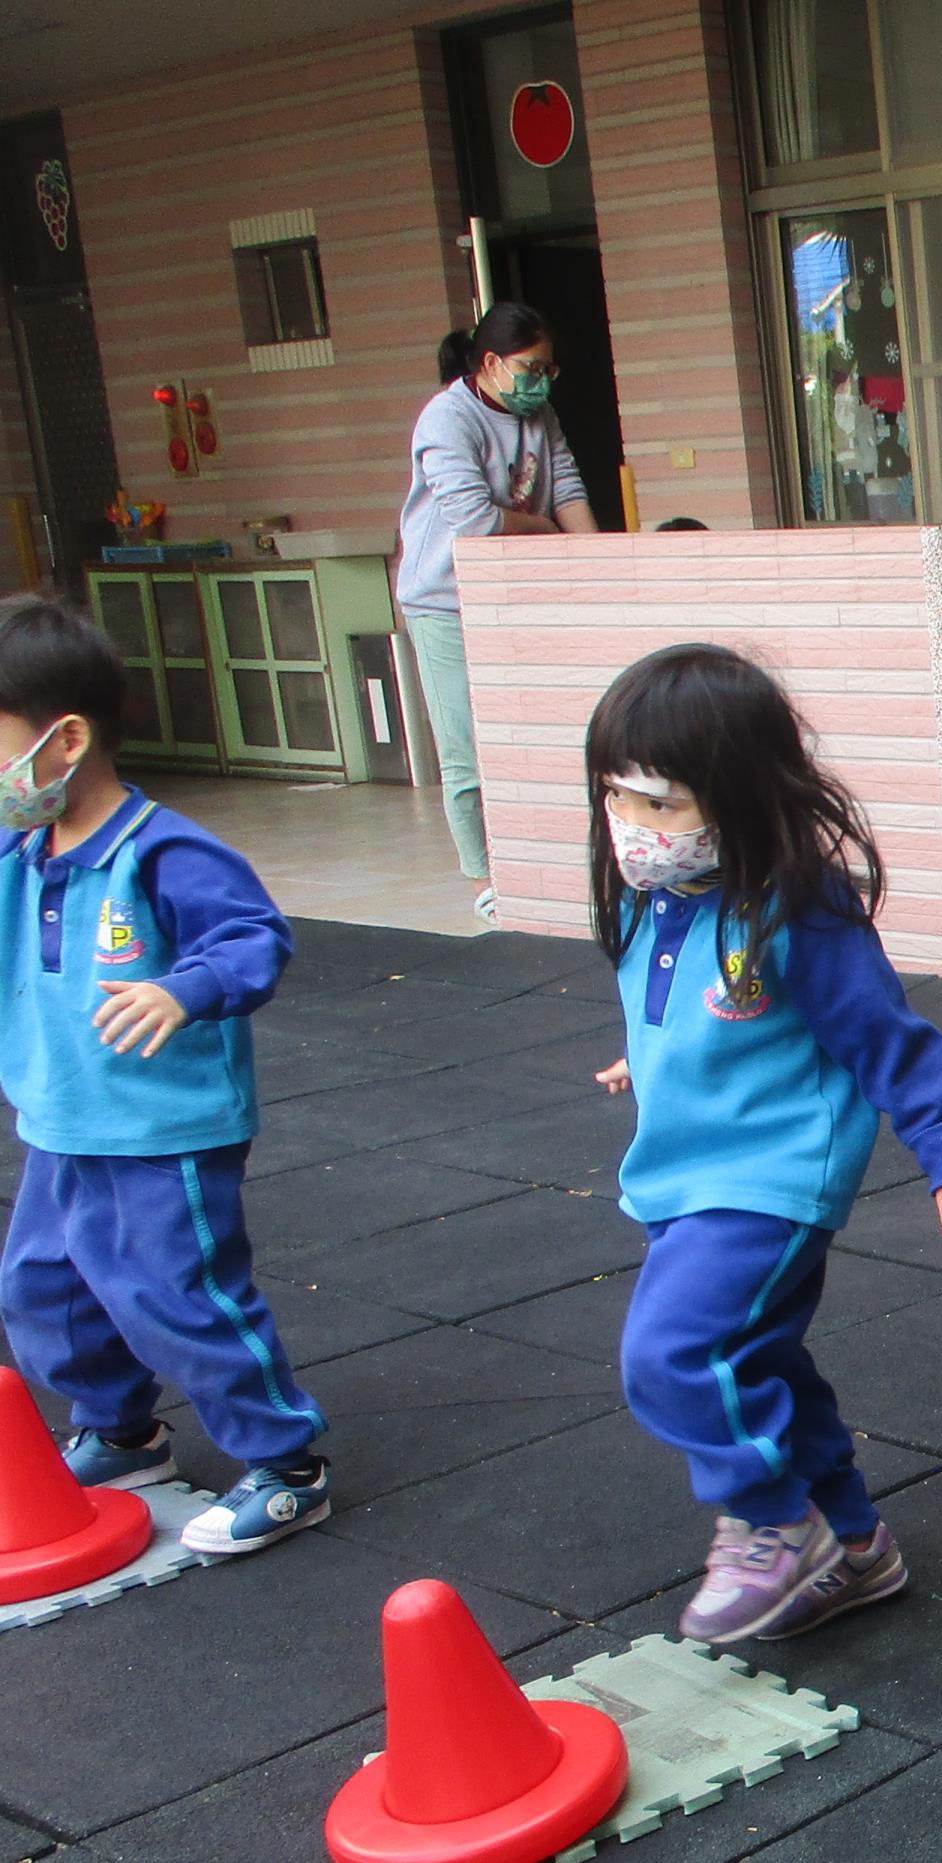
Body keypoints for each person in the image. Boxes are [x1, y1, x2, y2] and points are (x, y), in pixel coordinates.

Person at [585, 643, 942, 1644]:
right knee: (762, 1358)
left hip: (770, 1178)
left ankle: (776, 1524)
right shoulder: (652, 895)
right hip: (681, 1171)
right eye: (617, 796)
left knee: (670, 1352)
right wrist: (647, 1054)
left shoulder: (796, 907)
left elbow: (884, 1035)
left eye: (662, 803)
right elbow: (684, 1005)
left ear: (740, 794)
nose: (635, 825)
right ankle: (857, 1544)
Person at [0, 597, 332, 1554]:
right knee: (44, 1291)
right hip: (62, 1119)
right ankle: (122, 1435)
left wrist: (183, 989)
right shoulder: (23, 850)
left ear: (65, 741)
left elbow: (253, 937)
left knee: (174, 1294)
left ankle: (287, 1465)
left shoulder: (162, 850)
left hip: (161, 1128)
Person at [395, 301, 598, 928]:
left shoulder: (539, 413)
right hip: (445, 602)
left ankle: (548, 863)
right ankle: (485, 879)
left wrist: (599, 564)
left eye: (548, 370)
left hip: (517, 598)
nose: (541, 381)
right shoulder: (446, 418)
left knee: (540, 737)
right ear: (490, 364)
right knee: (466, 750)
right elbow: (475, 521)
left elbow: (566, 487)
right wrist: (546, 531)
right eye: (530, 368)